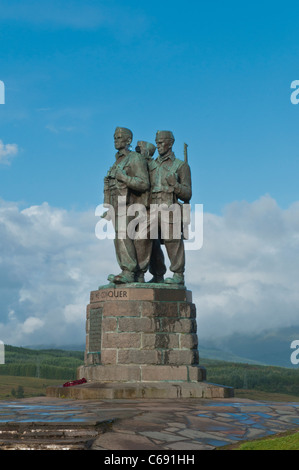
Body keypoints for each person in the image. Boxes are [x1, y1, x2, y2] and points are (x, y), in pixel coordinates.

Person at [103, 127, 150, 284]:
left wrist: (124, 177)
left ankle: (129, 272)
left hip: (130, 204)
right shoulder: (118, 160)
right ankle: (127, 270)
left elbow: (143, 183)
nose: (116, 140)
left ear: (128, 141)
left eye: (119, 137)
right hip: (117, 204)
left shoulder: (135, 158)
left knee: (124, 235)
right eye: (114, 137)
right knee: (119, 237)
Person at [148, 130, 192, 285]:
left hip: (170, 207)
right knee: (150, 241)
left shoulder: (181, 166)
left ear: (170, 143)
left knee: (172, 241)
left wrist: (176, 185)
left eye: (161, 142)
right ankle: (157, 274)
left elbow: (187, 194)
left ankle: (178, 274)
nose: (158, 145)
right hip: (152, 208)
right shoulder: (151, 165)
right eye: (157, 142)